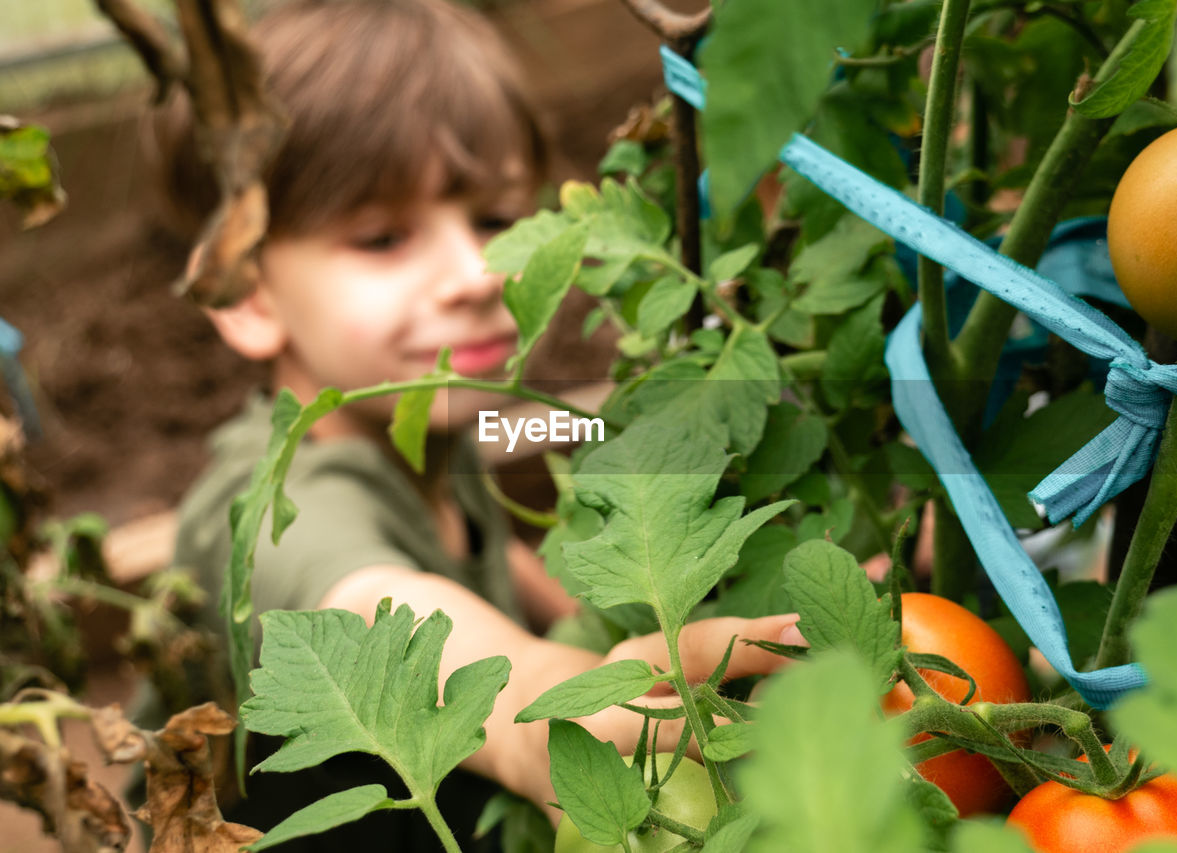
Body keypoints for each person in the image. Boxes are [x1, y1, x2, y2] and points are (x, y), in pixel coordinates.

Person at [148, 1, 801, 849]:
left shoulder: (430, 427)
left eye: (494, 219)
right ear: (245, 292)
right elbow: (381, 609)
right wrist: (544, 708)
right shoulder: (279, 504)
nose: (474, 272)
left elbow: (488, 565)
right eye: (383, 237)